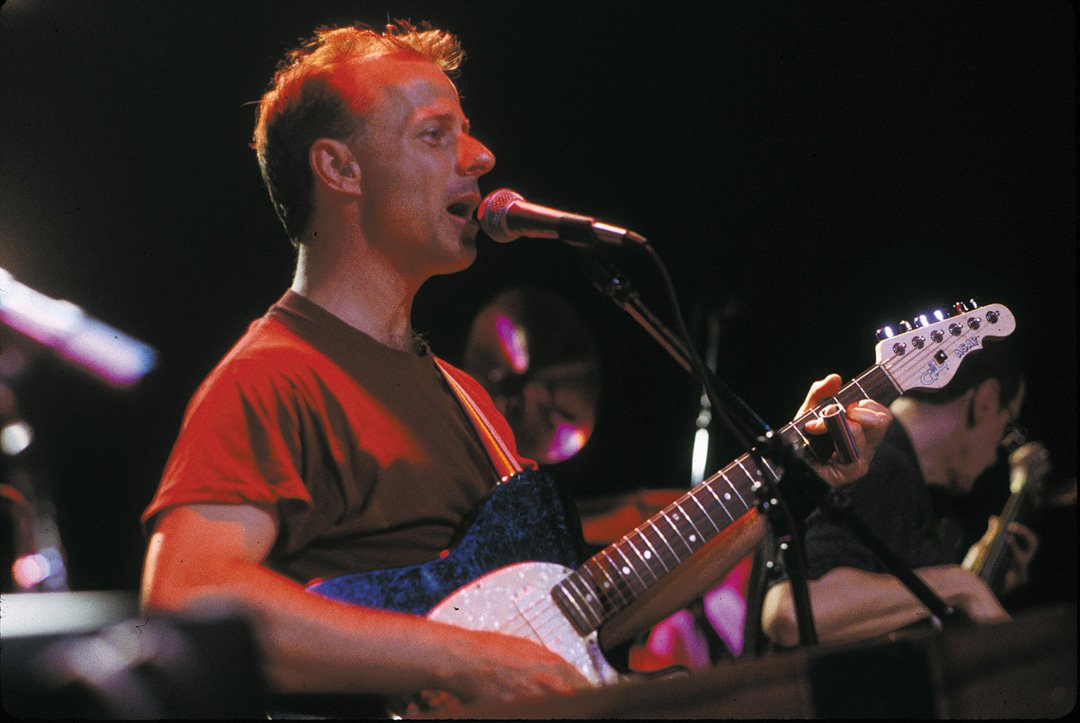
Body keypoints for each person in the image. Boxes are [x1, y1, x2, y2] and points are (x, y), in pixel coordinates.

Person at [139, 20, 891, 713]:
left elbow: (576, 611)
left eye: (466, 132)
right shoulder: (273, 375)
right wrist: (465, 658)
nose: (480, 157)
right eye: (436, 134)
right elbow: (185, 599)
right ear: (339, 167)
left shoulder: (466, 396)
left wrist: (794, 475)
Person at [761, 338, 1037, 648]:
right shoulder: (876, 464)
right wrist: (959, 584)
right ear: (986, 399)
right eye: (1008, 425)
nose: (998, 455)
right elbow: (792, 613)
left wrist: (974, 582)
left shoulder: (897, 472)